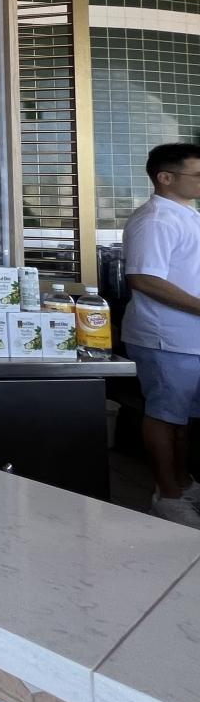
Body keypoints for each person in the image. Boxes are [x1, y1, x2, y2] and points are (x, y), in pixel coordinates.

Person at [123, 142, 200, 527]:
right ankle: (166, 496)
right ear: (165, 177)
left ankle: (183, 484)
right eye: (197, 174)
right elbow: (144, 278)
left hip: (190, 338)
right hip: (165, 337)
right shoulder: (155, 219)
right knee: (165, 417)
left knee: (183, 418)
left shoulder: (187, 214)